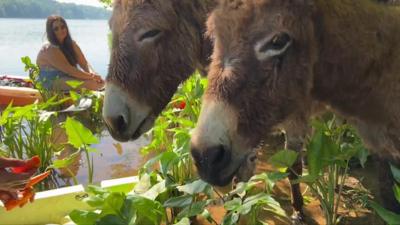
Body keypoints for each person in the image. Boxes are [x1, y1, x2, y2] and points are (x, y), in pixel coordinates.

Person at [36, 15, 104, 91]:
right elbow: (70, 70)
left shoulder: (71, 44)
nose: (60, 30)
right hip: (51, 81)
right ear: (51, 32)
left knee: (98, 82)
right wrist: (92, 77)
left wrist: (94, 74)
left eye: (62, 27)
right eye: (56, 29)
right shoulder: (49, 48)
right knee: (92, 84)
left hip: (66, 76)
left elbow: (84, 64)